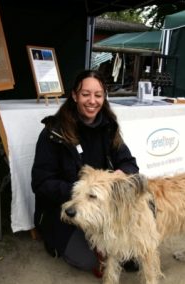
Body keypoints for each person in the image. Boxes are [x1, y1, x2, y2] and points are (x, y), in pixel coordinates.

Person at [31, 69, 139, 275]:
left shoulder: (109, 127)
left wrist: (121, 174)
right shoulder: (53, 133)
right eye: (85, 94)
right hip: (65, 209)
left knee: (130, 255)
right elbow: (40, 183)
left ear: (104, 97)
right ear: (74, 96)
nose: (92, 101)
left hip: (100, 207)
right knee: (90, 261)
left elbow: (130, 163)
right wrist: (81, 191)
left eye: (98, 95)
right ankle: (55, 239)